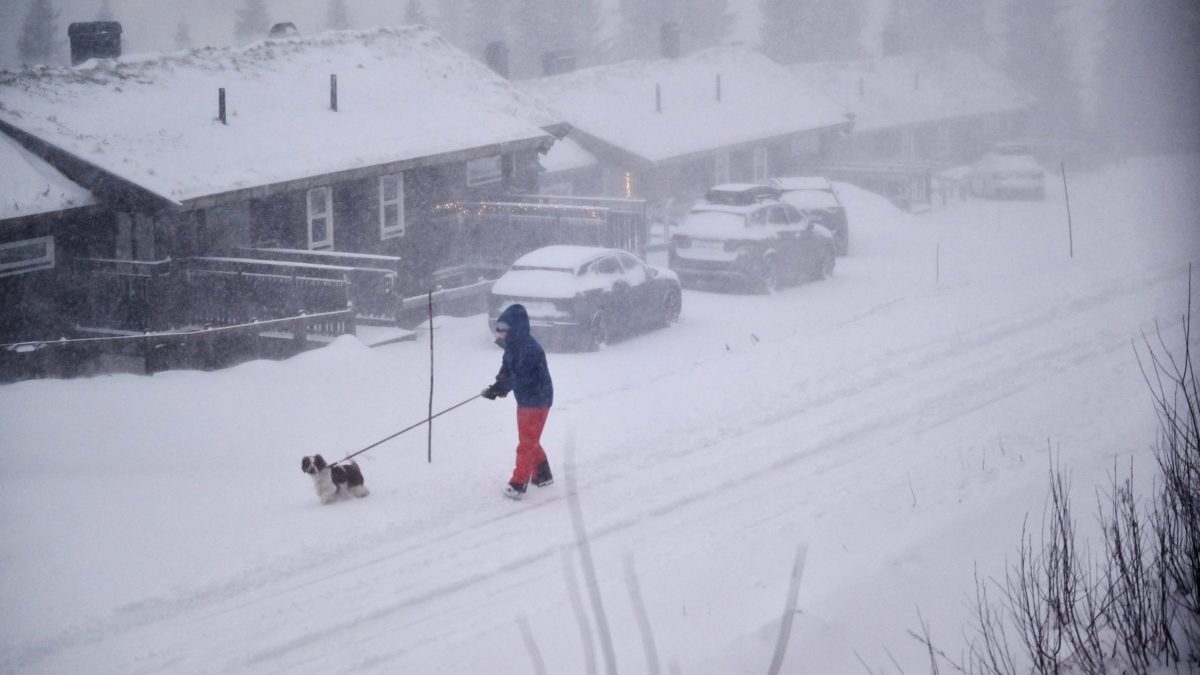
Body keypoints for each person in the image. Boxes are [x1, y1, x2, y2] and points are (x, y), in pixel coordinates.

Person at [482, 304, 554, 500]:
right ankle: (543, 474)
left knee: (526, 442)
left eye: (504, 329)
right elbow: (507, 369)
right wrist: (497, 385)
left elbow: (520, 376)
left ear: (515, 328)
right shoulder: (512, 346)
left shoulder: (529, 349)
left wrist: (502, 388)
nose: (500, 333)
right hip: (525, 399)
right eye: (499, 329)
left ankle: (518, 483)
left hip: (538, 400)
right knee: (529, 439)